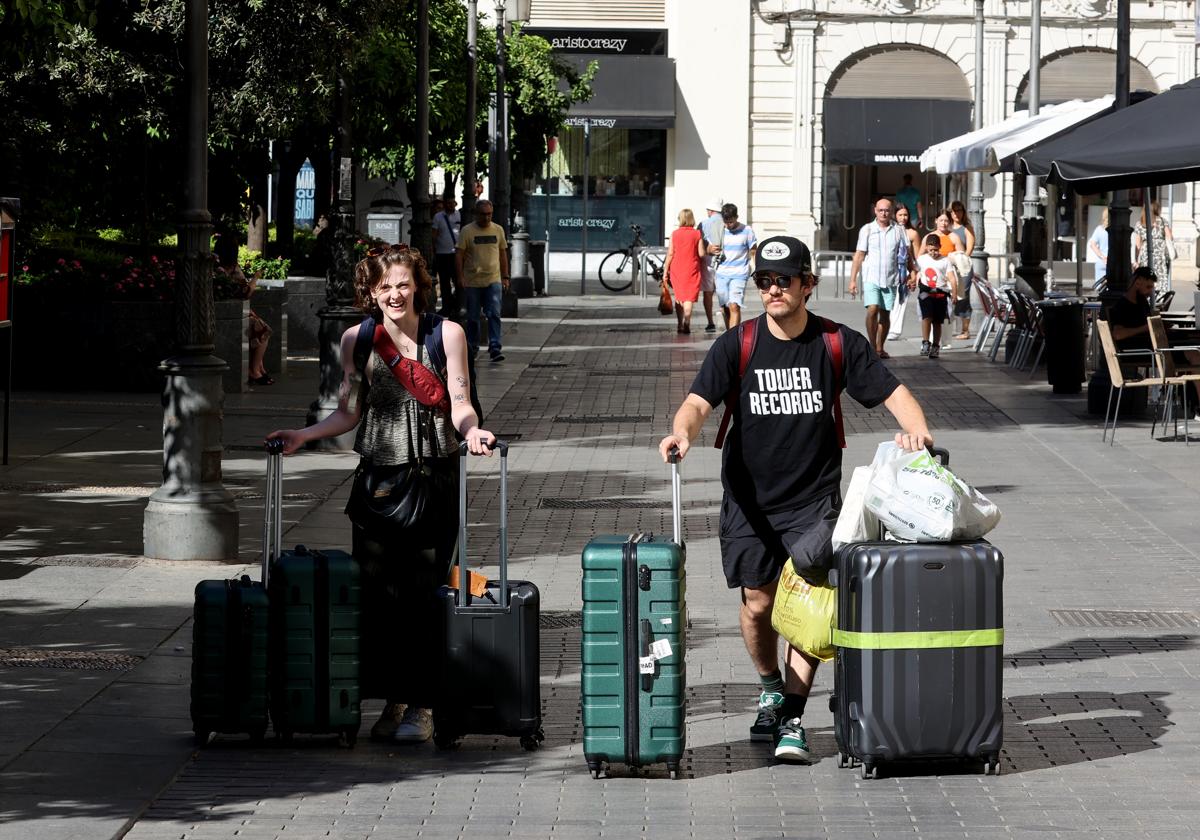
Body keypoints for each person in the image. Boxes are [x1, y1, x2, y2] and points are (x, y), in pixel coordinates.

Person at [658, 234, 934, 764]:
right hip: (748, 498)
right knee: (758, 604)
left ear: (808, 284)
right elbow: (697, 402)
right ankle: (769, 685)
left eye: (785, 280)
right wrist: (683, 434)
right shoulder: (737, 343)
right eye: (765, 280)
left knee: (809, 609)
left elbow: (893, 392)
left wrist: (918, 436)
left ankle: (791, 719)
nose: (774, 289)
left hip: (813, 500)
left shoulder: (837, 342)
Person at [266, 246, 497, 745]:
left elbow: (460, 402)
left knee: (425, 595)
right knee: (378, 597)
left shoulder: (446, 334)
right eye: (384, 286)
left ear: (418, 284)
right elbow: (349, 411)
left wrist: (472, 432)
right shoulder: (358, 340)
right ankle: (395, 698)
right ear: (371, 292)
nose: (395, 294)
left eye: (403, 283)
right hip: (378, 484)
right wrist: (304, 436)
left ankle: (424, 705)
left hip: (433, 478)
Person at [848, 197, 911, 359]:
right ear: (875, 211)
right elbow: (859, 255)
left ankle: (879, 347)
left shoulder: (899, 230)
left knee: (885, 314)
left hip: (891, 278)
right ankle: (871, 344)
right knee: (872, 309)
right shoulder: (867, 229)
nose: (884, 213)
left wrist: (913, 273)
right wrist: (853, 279)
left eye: (887, 210)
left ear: (892, 212)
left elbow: (906, 255)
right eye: (880, 210)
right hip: (871, 277)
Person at [214, 227, 273, 386]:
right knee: (264, 330)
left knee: (262, 330)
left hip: (238, 310)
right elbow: (245, 292)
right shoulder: (219, 268)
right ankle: (254, 371)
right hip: (229, 311)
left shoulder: (230, 267)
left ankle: (260, 369)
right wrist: (255, 278)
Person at [456, 199, 509, 363]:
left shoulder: (498, 230)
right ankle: (472, 347)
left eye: (489, 214)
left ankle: (494, 347)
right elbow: (459, 255)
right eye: (483, 214)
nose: (486, 218)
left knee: (494, 314)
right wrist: (460, 277)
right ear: (476, 214)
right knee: (473, 317)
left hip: (493, 279)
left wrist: (506, 276)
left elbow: (502, 254)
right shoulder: (467, 231)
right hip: (473, 281)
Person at [713, 203, 758, 330]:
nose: (729, 225)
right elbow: (708, 249)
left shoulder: (747, 231)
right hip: (721, 274)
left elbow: (754, 250)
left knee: (734, 305)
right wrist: (711, 249)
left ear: (737, 217)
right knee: (725, 307)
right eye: (726, 222)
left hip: (739, 273)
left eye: (731, 222)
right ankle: (729, 334)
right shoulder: (720, 230)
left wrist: (757, 268)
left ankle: (733, 337)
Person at [915, 233, 959, 360]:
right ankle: (925, 342)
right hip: (925, 292)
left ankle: (935, 346)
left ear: (940, 247)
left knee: (937, 321)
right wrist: (912, 281)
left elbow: (951, 278)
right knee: (926, 317)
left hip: (941, 293)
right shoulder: (922, 259)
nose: (933, 252)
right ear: (926, 248)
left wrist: (954, 293)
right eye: (930, 250)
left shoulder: (945, 261)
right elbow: (917, 272)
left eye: (935, 249)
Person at [664, 208, 706, 334]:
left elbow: (670, 254)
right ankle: (687, 322)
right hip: (692, 268)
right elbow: (701, 253)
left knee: (679, 297)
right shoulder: (697, 234)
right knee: (689, 297)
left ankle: (679, 324)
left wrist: (666, 270)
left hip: (677, 269)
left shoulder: (674, 234)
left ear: (680, 219)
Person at [886, 204, 920, 341]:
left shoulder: (912, 233)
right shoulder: (890, 231)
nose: (903, 218)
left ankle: (895, 330)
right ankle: (887, 327)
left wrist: (914, 276)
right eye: (900, 214)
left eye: (905, 215)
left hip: (904, 270)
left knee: (901, 301)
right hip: (889, 270)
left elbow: (916, 257)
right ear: (895, 215)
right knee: (889, 301)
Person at [1133, 200, 1175, 294]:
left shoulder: (1140, 223)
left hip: (1146, 255)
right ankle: (1158, 300)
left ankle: (1147, 299)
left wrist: (1136, 260)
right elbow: (1170, 237)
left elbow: (1138, 245)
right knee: (1160, 279)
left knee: (1147, 278)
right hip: (1161, 255)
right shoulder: (1163, 221)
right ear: (1157, 209)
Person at [948, 201, 976, 341]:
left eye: (959, 210)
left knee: (963, 297)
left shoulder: (967, 228)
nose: (956, 214)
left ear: (963, 212)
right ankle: (947, 327)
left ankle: (965, 330)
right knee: (949, 296)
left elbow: (969, 250)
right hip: (948, 267)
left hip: (963, 268)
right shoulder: (946, 227)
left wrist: (960, 262)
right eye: (953, 211)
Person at [698, 198, 725, 332]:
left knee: (708, 293)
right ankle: (724, 316)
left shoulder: (703, 223)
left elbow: (700, 243)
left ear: (710, 211)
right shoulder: (727, 222)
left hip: (708, 261)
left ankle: (710, 322)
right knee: (723, 291)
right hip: (725, 261)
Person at [432, 195, 461, 317]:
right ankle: (446, 307)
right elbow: (434, 234)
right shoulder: (438, 217)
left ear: (455, 203)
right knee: (444, 284)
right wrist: (433, 249)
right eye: (448, 203)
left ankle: (457, 305)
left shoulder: (459, 215)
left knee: (458, 281)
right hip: (442, 254)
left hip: (456, 254)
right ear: (445, 204)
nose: (450, 205)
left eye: (452, 202)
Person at [1087, 207, 1110, 288]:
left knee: (1100, 288)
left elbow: (1092, 244)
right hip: (1113, 262)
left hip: (1102, 261)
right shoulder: (1115, 230)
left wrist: (1102, 256)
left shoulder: (1099, 229)